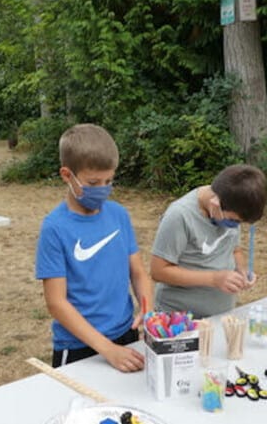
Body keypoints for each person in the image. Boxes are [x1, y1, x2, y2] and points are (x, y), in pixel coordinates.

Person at [35, 124, 153, 372]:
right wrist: (107, 349)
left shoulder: (119, 214)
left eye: (109, 180)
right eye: (93, 182)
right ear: (67, 175)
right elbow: (56, 303)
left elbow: (138, 272)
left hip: (125, 334)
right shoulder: (55, 228)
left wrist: (147, 307)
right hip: (79, 345)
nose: (102, 188)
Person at [150, 164, 267, 318]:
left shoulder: (232, 206)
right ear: (215, 203)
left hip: (221, 315)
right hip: (180, 320)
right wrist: (213, 279)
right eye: (233, 221)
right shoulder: (179, 216)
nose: (234, 226)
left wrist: (242, 270)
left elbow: (234, 249)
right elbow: (158, 271)